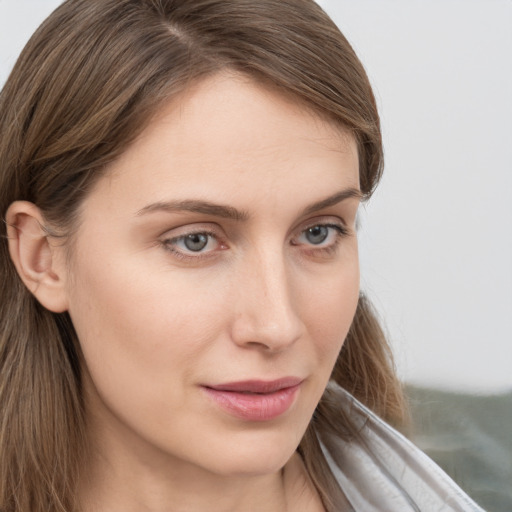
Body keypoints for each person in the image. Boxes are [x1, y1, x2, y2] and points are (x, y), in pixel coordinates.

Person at [0, 1, 485, 511]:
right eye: (195, 241)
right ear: (42, 258)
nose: (278, 326)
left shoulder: (489, 472)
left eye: (318, 232)